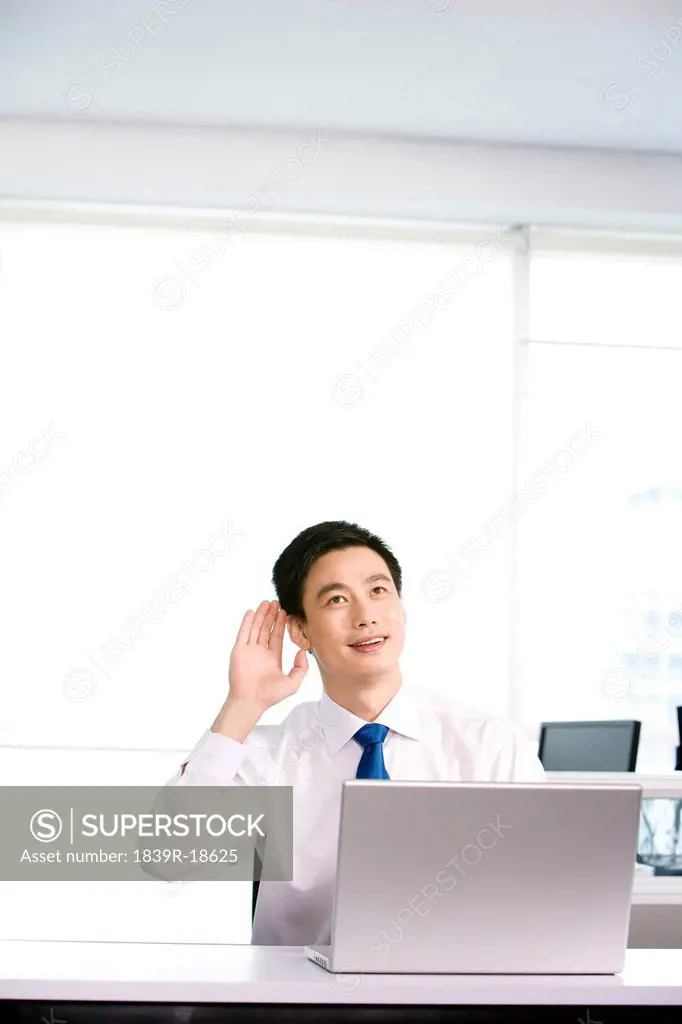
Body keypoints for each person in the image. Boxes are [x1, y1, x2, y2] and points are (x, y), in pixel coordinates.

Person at [165, 520, 545, 945]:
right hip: (299, 1002)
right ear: (300, 630)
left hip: (453, 994)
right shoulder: (269, 755)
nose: (365, 616)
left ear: (401, 607)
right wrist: (242, 705)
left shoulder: (489, 745)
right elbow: (169, 859)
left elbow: (544, 890)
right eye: (337, 599)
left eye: (378, 591)